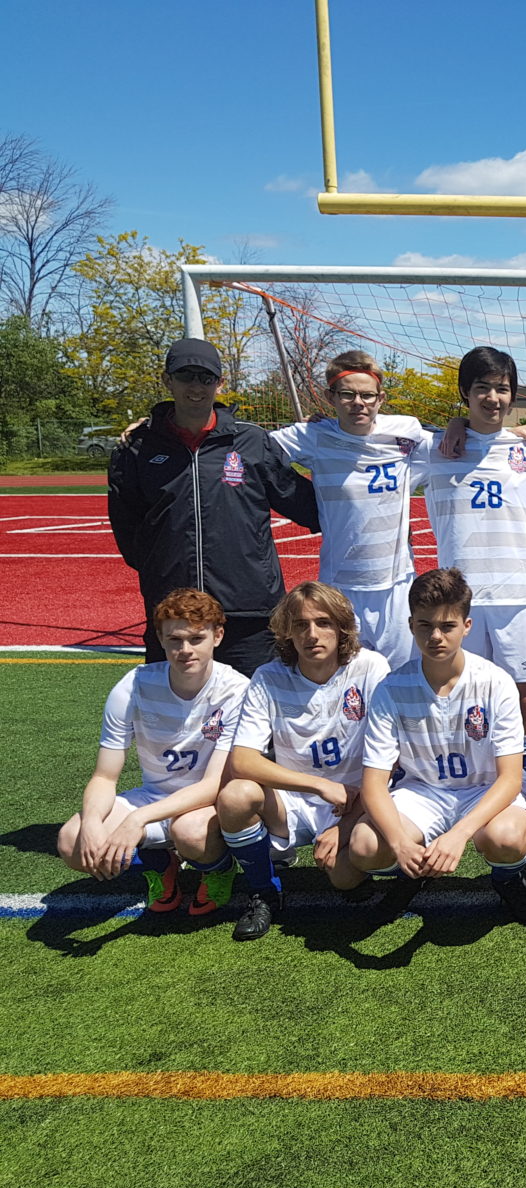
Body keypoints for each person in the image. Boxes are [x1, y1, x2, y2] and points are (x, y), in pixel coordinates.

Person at [108, 338, 321, 675]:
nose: (196, 387)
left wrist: (334, 436)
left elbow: (305, 503)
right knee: (173, 716)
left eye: (206, 378)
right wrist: (160, 568)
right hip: (173, 611)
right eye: (186, 376)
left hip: (248, 609)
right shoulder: (137, 448)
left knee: (254, 715)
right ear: (167, 381)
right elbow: (128, 527)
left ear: (220, 384)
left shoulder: (251, 441)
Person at [348, 568, 526, 923]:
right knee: (365, 847)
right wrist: (400, 843)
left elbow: (510, 779)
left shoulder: (495, 683)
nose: (435, 636)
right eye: (425, 625)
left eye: (447, 626)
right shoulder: (391, 688)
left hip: (484, 790)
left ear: (467, 626)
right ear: (410, 625)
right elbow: (373, 783)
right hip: (423, 792)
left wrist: (459, 835)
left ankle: (507, 878)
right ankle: (413, 873)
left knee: (507, 837)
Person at [215, 581, 392, 940]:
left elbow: (394, 757)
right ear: (287, 633)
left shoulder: (370, 668)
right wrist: (319, 784)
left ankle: (349, 858)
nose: (312, 634)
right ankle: (263, 891)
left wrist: (347, 823)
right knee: (235, 796)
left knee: (343, 877)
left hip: (357, 800)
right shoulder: (269, 677)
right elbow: (243, 762)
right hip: (292, 800)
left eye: (323, 622)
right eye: (300, 625)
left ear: (342, 627)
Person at [56, 587, 248, 916]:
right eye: (175, 640)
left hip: (204, 804)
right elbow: (104, 776)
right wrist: (90, 823)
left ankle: (218, 869)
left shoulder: (236, 690)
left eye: (196, 639)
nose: (185, 650)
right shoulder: (133, 686)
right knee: (71, 842)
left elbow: (213, 784)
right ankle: (161, 865)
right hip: (153, 796)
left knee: (189, 832)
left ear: (217, 636)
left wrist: (137, 820)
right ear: (160, 639)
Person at [412, 346, 526, 795]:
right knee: (465, 696)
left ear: (514, 396)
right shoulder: (435, 448)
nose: (493, 398)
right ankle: (476, 783)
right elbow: (373, 435)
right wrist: (454, 427)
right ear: (464, 393)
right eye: (482, 388)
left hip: (520, 597)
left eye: (502, 389)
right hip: (460, 600)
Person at [269, 350, 426, 668]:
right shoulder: (314, 436)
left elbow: (459, 443)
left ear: (380, 398)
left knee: (400, 678)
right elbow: (250, 449)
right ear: (331, 397)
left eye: (367, 395)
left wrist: (506, 432)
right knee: (342, 679)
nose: (359, 402)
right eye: (348, 394)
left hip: (396, 585)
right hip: (339, 585)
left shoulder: (405, 431)